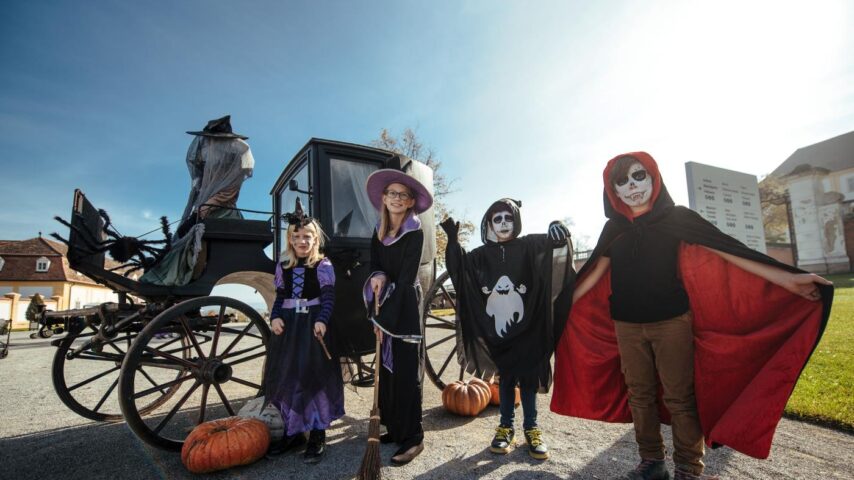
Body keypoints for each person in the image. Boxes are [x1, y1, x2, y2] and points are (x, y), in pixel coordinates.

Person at [550, 152, 833, 480]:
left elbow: (728, 250)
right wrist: (556, 309)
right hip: (626, 325)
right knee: (639, 394)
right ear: (613, 191)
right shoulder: (613, 230)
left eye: (639, 176)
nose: (632, 186)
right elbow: (593, 275)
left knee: (679, 396)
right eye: (622, 181)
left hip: (672, 322)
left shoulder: (677, 218)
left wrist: (790, 280)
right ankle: (651, 462)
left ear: (654, 178)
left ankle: (688, 469)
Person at [441, 199, 573, 460]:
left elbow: (554, 246)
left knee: (528, 380)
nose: (503, 223)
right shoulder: (480, 256)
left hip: (530, 329)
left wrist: (557, 228)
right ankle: (505, 428)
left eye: (508, 218)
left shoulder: (529, 246)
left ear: (516, 221)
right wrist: (453, 241)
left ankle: (532, 429)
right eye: (497, 219)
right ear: (489, 224)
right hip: (500, 334)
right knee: (506, 380)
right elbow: (459, 270)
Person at [264, 200, 344, 464]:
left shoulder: (323, 265)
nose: (302, 240)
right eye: (296, 236)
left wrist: (322, 319)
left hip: (312, 326)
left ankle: (317, 433)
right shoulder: (283, 265)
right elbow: (280, 296)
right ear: (290, 239)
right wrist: (275, 316)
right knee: (290, 376)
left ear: (315, 239)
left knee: (313, 377)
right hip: (289, 327)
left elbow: (329, 297)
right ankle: (293, 431)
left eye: (307, 236)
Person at [363, 167, 433, 465]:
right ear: (384, 198)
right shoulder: (378, 233)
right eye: (392, 193)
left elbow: (405, 279)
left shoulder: (414, 233)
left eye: (402, 195)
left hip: (403, 304)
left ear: (409, 202)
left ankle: (413, 438)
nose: (396, 198)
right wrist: (377, 275)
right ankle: (394, 426)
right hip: (385, 301)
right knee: (388, 372)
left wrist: (383, 322)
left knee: (405, 372)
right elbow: (375, 264)